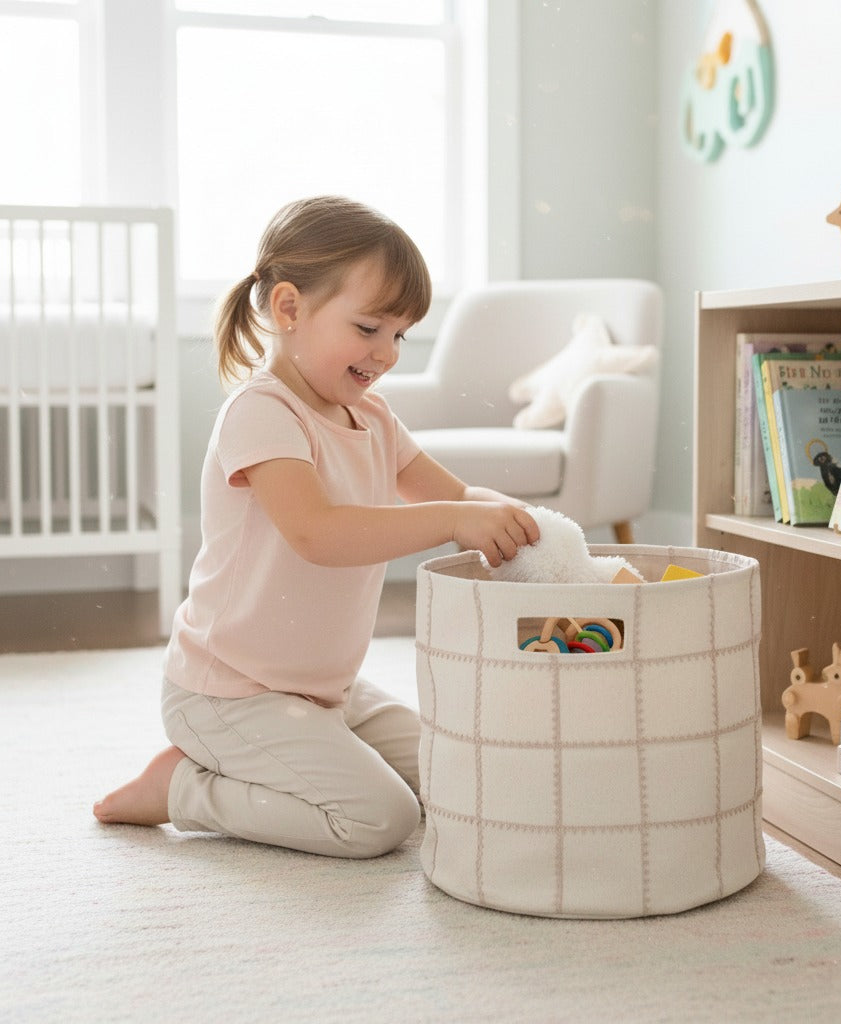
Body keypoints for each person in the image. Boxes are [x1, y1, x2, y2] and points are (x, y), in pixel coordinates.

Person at [93, 196, 539, 858]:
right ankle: (183, 789)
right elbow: (317, 532)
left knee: (463, 775)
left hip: (328, 689)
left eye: (400, 334)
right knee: (378, 820)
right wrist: (453, 519)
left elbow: (456, 495)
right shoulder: (261, 413)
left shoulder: (377, 419)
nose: (387, 353)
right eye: (368, 328)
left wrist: (514, 521)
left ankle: (300, 749)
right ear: (289, 309)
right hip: (229, 691)